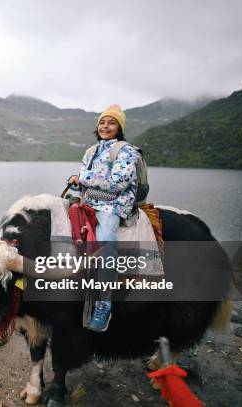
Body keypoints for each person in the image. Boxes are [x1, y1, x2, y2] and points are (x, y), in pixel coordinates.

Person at [68, 104, 140, 332]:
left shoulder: (126, 150)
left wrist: (83, 177)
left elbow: (119, 182)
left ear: (119, 127)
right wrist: (79, 185)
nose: (105, 126)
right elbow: (84, 183)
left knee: (105, 245)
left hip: (113, 204)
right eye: (102, 122)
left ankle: (104, 303)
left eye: (111, 122)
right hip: (89, 201)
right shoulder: (91, 151)